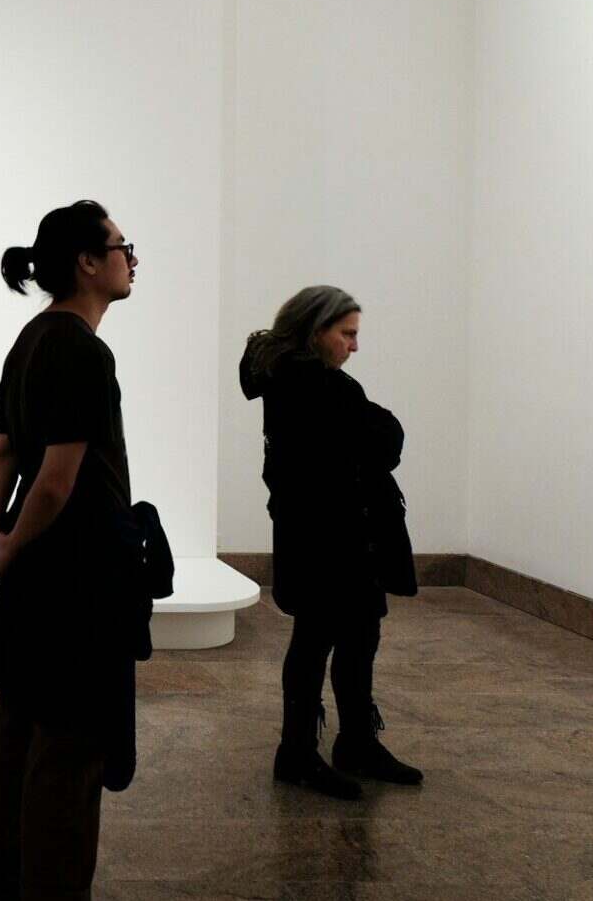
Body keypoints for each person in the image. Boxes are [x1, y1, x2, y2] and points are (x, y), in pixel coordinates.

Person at [0, 200, 141, 901]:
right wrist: (7, 542)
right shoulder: (81, 350)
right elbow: (57, 481)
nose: (131, 260)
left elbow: (3, 453)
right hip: (78, 582)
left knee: (19, 728)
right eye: (122, 248)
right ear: (87, 263)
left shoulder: (32, 338)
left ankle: (0, 878)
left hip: (36, 578)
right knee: (69, 750)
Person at [239, 286, 424, 800]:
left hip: (331, 534)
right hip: (330, 537)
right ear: (315, 331)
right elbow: (385, 440)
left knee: (355, 634)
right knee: (320, 638)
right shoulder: (315, 386)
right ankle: (299, 752)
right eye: (347, 334)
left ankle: (352, 742)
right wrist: (378, 424)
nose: (354, 347)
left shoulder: (297, 381)